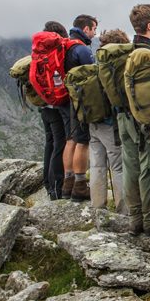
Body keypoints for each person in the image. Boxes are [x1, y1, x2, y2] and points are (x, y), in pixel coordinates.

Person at [118, 4, 150, 235]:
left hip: (123, 118)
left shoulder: (126, 51)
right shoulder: (146, 54)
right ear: (149, 26)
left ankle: (135, 219)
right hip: (143, 121)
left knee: (130, 167)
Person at [59, 14, 98, 201]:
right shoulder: (81, 49)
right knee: (83, 142)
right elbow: (93, 76)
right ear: (86, 29)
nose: (94, 33)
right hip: (79, 101)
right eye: (94, 29)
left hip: (65, 99)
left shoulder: (65, 45)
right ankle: (80, 186)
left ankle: (68, 183)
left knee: (70, 140)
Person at [90, 29, 128, 214]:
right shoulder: (113, 66)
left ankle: (98, 206)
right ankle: (123, 209)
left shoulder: (98, 64)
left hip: (92, 123)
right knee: (118, 166)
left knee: (97, 165)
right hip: (108, 124)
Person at [40, 20, 68, 200]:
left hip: (43, 105)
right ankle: (56, 186)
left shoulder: (40, 50)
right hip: (56, 105)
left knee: (50, 143)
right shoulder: (54, 50)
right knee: (60, 144)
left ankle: (48, 183)